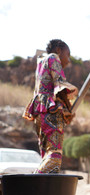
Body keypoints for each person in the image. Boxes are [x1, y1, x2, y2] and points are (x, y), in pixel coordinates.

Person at [23, 39, 78, 173]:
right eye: (68, 55)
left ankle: (40, 189)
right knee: (54, 157)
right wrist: (74, 93)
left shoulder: (41, 62)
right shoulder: (53, 57)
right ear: (59, 50)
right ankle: (33, 183)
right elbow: (60, 85)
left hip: (40, 112)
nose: (69, 60)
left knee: (46, 156)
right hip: (49, 111)